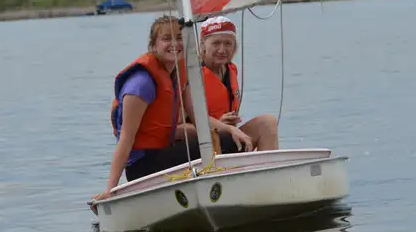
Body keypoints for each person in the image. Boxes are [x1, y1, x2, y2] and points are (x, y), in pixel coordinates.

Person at [95, 15, 241, 200]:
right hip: (144, 166)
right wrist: (110, 190)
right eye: (166, 39)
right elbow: (125, 140)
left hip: (165, 151)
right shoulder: (141, 84)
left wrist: (231, 129)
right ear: (153, 45)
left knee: (231, 139)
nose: (175, 44)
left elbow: (198, 117)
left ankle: (222, 189)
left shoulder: (179, 73)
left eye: (180, 38)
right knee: (226, 141)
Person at [200, 16, 279, 151]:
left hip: (229, 136)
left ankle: (268, 169)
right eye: (216, 43)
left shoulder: (231, 70)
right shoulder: (193, 75)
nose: (222, 49)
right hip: (203, 142)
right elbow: (187, 122)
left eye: (228, 44)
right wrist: (220, 125)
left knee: (267, 122)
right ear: (203, 45)